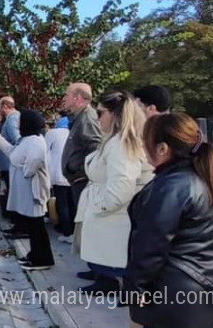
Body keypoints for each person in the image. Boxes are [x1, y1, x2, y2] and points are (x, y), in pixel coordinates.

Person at [124, 113, 213, 327]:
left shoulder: (171, 186)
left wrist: (136, 288)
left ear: (162, 149)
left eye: (145, 142)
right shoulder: (206, 180)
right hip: (201, 283)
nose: (143, 148)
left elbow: (151, 244)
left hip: (171, 288)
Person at [75, 91, 153, 295]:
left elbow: (122, 185)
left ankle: (116, 285)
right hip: (109, 214)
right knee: (106, 260)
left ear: (114, 114)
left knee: (114, 262)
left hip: (114, 217)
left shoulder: (120, 144)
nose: (96, 117)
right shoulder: (114, 140)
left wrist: (100, 206)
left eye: (100, 113)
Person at [0, 109, 54, 270]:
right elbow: (13, 153)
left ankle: (42, 259)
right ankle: (35, 254)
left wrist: (26, 171)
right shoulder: (26, 140)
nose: (17, 123)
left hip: (33, 189)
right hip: (25, 189)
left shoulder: (35, 141)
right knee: (32, 226)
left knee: (36, 226)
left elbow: (34, 160)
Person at [60, 83, 103, 231]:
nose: (64, 99)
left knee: (87, 227)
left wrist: (83, 171)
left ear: (77, 98)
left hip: (84, 181)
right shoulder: (79, 117)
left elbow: (96, 147)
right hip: (78, 181)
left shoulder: (87, 118)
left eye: (67, 95)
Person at [46, 117, 73, 243]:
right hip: (73, 174)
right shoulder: (73, 132)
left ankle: (65, 230)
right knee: (72, 203)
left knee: (62, 204)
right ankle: (72, 231)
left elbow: (45, 149)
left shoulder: (53, 133)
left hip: (58, 173)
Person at [0, 97, 21, 208]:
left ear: (5, 106)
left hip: (9, 162)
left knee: (12, 191)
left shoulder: (11, 120)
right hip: (8, 162)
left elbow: (17, 140)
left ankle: (14, 217)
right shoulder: (13, 118)